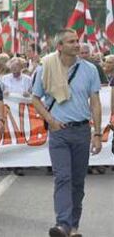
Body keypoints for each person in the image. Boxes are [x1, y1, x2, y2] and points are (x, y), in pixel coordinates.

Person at [31, 29, 102, 237]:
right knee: (63, 177)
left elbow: (95, 102)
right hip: (59, 132)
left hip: (82, 131)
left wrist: (97, 133)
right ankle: (62, 223)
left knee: (78, 181)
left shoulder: (90, 69)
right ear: (59, 46)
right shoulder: (46, 67)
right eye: (71, 41)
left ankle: (73, 226)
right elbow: (36, 98)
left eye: (77, 41)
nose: (77, 44)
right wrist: (51, 121)